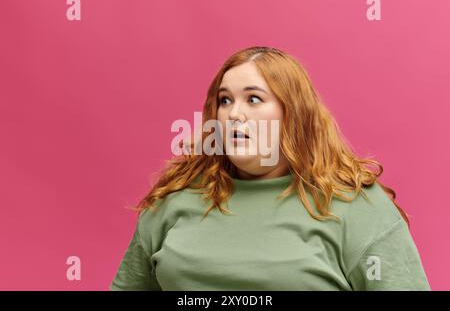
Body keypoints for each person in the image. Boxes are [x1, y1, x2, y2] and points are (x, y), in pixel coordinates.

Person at [110, 46, 430, 290]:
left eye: (253, 99)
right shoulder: (175, 199)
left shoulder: (356, 206)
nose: (234, 114)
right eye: (225, 100)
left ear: (293, 113)